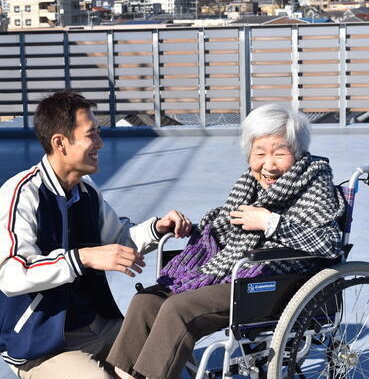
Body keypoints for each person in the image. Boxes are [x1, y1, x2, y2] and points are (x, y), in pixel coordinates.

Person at [106, 104, 346, 379]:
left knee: (178, 309)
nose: (268, 165)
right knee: (146, 301)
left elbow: (330, 243)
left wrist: (270, 223)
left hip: (277, 281)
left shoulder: (315, 183)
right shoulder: (249, 184)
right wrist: (196, 231)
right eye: (260, 153)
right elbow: (228, 230)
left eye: (279, 153)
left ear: (298, 152)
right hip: (235, 270)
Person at [0, 90, 192, 379]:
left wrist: (157, 228)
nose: (100, 143)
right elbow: (10, 272)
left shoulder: (86, 190)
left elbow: (118, 240)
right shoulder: (20, 195)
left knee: (170, 355)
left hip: (96, 324)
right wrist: (81, 258)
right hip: (39, 343)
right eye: (91, 135)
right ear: (60, 143)